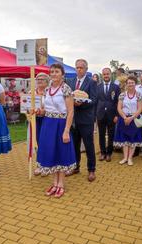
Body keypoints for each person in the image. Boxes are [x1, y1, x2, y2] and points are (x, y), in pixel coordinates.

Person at [36, 64, 76, 198]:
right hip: (48, 124)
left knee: (61, 152)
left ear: (62, 74)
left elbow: (70, 112)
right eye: (52, 72)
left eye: (56, 72)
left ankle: (61, 184)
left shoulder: (66, 89)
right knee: (51, 152)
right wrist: (39, 111)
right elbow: (45, 109)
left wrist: (66, 131)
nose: (53, 74)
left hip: (61, 124)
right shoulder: (47, 89)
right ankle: (54, 183)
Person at [67, 59, 97, 182]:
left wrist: (81, 104)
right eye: (77, 67)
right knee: (74, 145)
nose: (79, 69)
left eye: (81, 67)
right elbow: (67, 98)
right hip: (73, 120)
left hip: (86, 119)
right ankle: (75, 167)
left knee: (89, 145)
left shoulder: (92, 82)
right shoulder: (70, 81)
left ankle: (91, 170)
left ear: (86, 69)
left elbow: (94, 99)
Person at [114, 75, 142, 166]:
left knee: (132, 140)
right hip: (124, 119)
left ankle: (130, 158)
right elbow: (119, 108)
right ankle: (125, 157)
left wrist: (131, 118)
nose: (130, 84)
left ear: (135, 84)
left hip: (134, 119)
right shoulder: (122, 95)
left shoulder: (139, 95)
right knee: (124, 140)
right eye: (129, 83)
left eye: (132, 83)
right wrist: (125, 117)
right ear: (126, 84)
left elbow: (140, 109)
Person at [96, 68, 120, 162]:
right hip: (100, 114)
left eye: (107, 74)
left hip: (112, 115)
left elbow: (118, 102)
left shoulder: (116, 87)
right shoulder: (98, 87)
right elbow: (96, 101)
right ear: (102, 75)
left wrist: (117, 115)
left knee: (111, 135)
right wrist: (95, 115)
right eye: (104, 74)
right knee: (101, 135)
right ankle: (102, 153)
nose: (106, 76)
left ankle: (109, 153)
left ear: (111, 75)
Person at [32, 72, 50, 176]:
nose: (39, 80)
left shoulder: (49, 92)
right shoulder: (31, 92)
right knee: (37, 143)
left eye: (42, 79)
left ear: (47, 81)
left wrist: (44, 111)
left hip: (47, 120)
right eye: (38, 79)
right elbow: (26, 105)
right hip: (35, 120)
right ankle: (39, 165)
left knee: (46, 142)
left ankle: (46, 165)